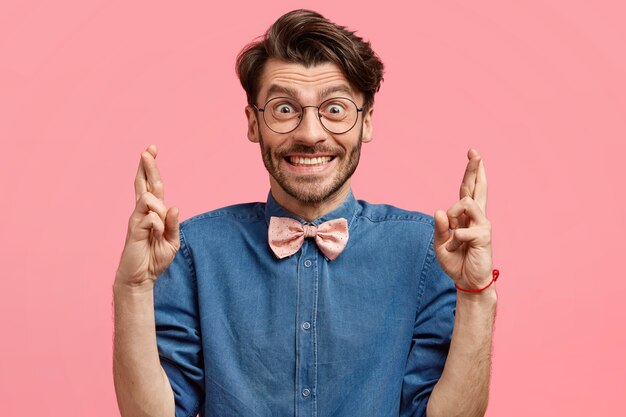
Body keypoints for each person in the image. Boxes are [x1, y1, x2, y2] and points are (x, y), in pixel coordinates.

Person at [113, 9, 497, 417]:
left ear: (366, 122)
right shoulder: (191, 251)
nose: (310, 134)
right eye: (283, 109)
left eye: (335, 109)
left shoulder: (428, 250)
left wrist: (476, 294)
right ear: (252, 123)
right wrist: (133, 288)